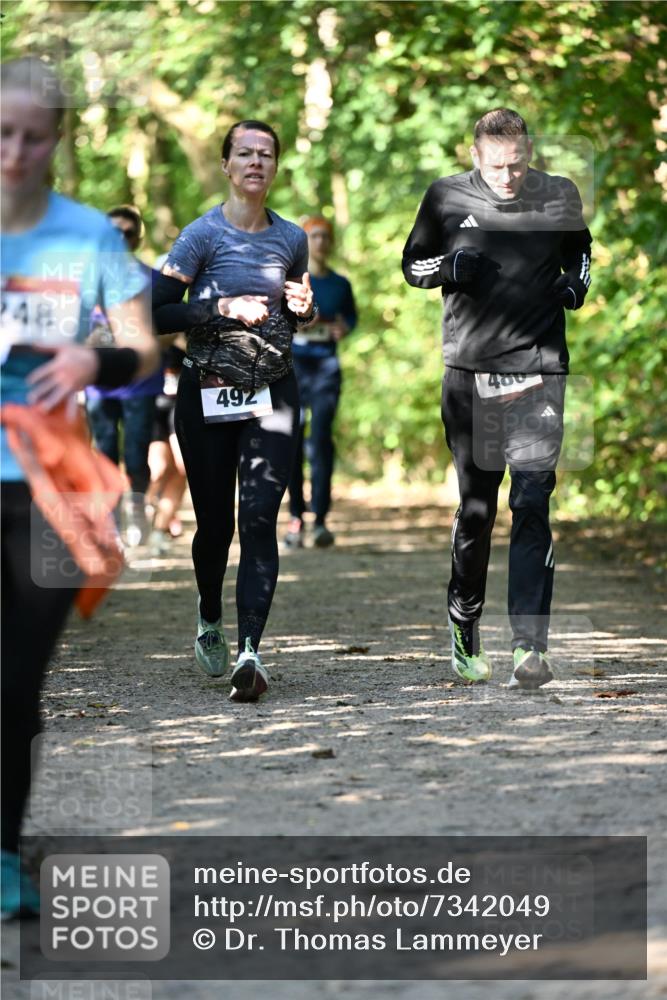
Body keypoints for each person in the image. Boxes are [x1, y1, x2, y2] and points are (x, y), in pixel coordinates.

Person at [1, 57, 158, 918]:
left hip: (51, 488)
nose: (15, 152)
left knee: (16, 685)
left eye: (32, 136)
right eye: (1, 134)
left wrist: (91, 356)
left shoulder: (88, 236)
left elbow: (144, 348)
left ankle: (1, 850)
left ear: (56, 140)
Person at [402, 107, 592, 690]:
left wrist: (575, 285)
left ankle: (529, 646)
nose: (507, 177)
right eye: (496, 166)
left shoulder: (558, 194)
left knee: (533, 501)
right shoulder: (445, 197)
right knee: (478, 510)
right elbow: (412, 265)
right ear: (474, 156)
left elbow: (581, 252)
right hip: (472, 375)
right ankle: (464, 618)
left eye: (516, 165)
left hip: (539, 369)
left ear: (529, 154)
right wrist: (450, 266)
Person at [152, 119, 315, 701]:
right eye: (244, 153)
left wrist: (304, 306)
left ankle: (250, 650)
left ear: (275, 166)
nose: (255, 162)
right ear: (226, 166)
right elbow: (156, 312)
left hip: (272, 393)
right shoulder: (201, 236)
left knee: (258, 519)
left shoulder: (292, 237)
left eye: (265, 154)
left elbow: (296, 308)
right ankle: (209, 612)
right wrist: (219, 306)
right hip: (206, 392)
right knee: (215, 525)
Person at [85, 205, 164, 546]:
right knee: (103, 456)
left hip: (140, 384)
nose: (119, 238)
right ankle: (110, 523)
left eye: (127, 232)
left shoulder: (152, 279)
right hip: (98, 387)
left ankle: (137, 512)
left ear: (137, 238)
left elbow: (170, 327)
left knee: (135, 455)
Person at [284, 215, 357, 549]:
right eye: (314, 236)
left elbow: (350, 318)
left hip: (327, 365)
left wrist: (343, 328)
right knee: (293, 439)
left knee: (321, 439)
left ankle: (321, 519)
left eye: (326, 236)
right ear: (304, 241)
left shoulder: (340, 284)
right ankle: (296, 517)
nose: (321, 242)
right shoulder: (290, 280)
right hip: (295, 364)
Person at [145, 337, 188, 555]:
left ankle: (159, 530)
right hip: (153, 403)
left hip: (180, 402)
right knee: (159, 469)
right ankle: (141, 511)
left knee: (182, 468)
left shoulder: (194, 311)